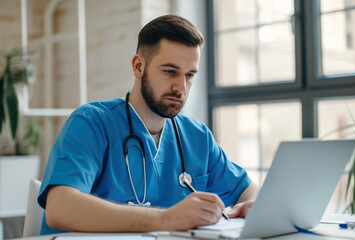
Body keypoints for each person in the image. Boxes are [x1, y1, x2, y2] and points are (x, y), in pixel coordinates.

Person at [38, 14, 259, 235]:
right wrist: (168, 218)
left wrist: (252, 204)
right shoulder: (92, 123)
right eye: (170, 71)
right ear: (138, 66)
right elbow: (60, 207)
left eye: (189, 75)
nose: (181, 87)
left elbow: (247, 190)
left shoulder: (197, 136)